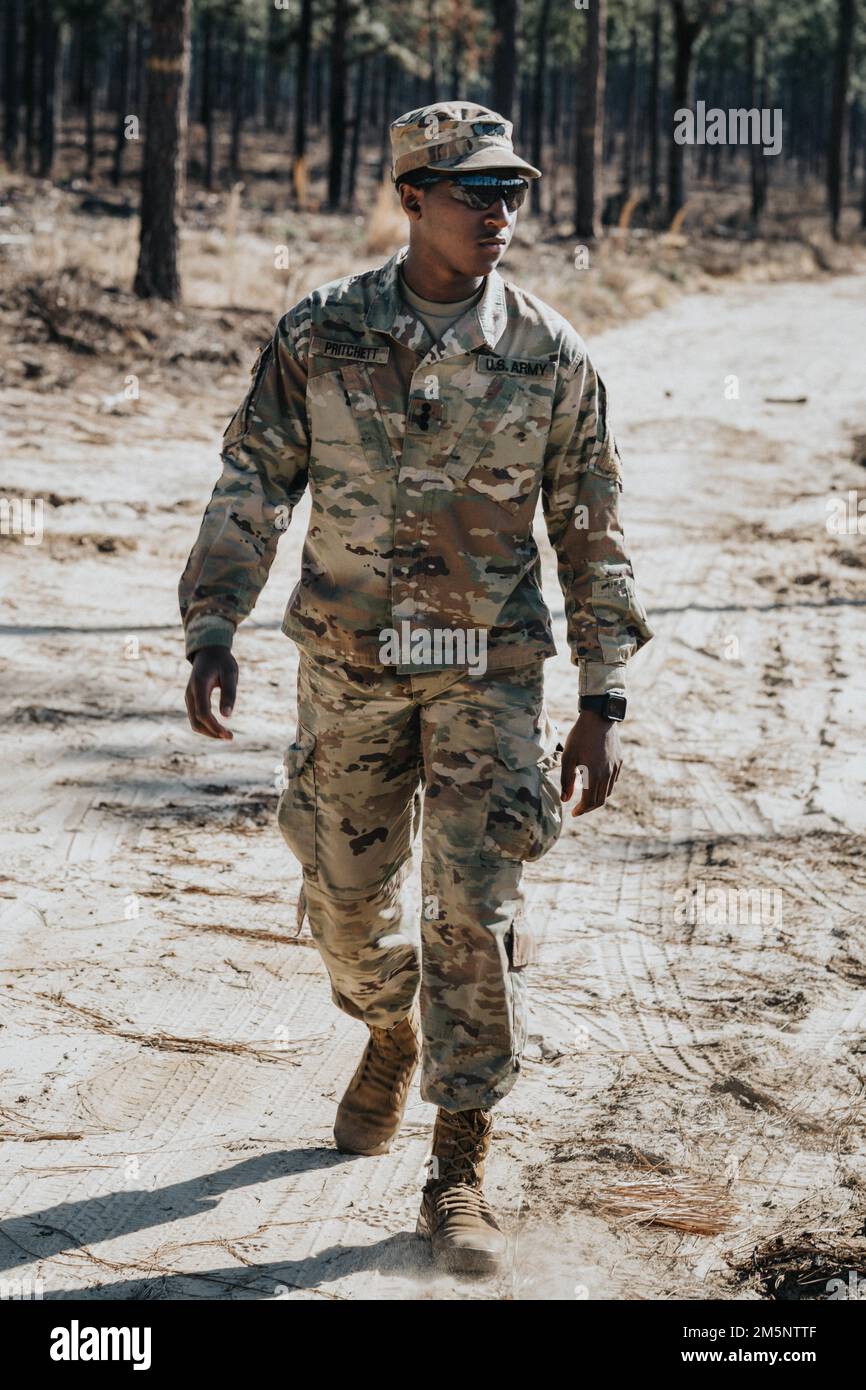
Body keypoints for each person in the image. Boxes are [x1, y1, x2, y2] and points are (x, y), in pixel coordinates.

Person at [179, 101, 654, 1277]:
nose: (498, 212)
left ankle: (457, 1169)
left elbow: (589, 527)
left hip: (487, 675)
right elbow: (253, 480)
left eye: (511, 192)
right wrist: (211, 626)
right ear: (409, 198)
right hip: (349, 665)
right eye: (471, 191)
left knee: (471, 912)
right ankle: (388, 1025)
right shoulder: (322, 333)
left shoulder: (549, 354)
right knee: (344, 904)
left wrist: (602, 697)